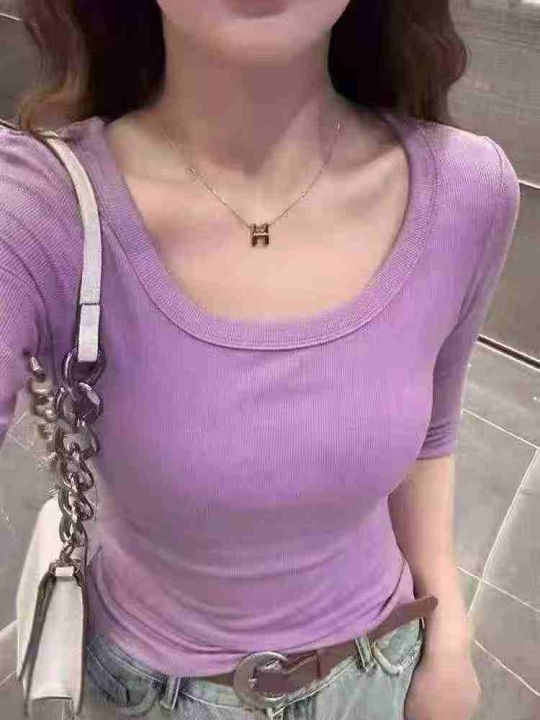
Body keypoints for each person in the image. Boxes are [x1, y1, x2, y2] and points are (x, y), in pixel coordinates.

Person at [0, 1, 520, 718]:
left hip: (377, 671)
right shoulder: (40, 208)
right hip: (144, 692)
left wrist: (450, 637)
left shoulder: (467, 191)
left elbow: (433, 433)